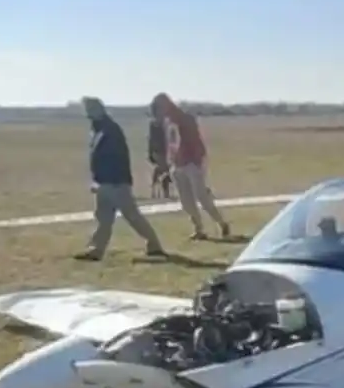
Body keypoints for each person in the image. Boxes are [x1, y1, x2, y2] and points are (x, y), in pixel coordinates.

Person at [76, 96, 168, 261]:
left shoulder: (110, 130)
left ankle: (154, 244)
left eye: (89, 108)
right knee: (103, 218)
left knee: (132, 216)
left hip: (116, 182)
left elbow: (114, 158)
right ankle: (96, 250)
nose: (87, 112)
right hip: (105, 182)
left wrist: (108, 180)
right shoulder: (99, 129)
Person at [151, 92, 232, 240]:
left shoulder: (185, 118)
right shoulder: (167, 122)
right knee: (186, 201)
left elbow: (194, 140)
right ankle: (198, 229)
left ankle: (222, 223)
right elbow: (170, 143)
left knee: (202, 197)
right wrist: (170, 161)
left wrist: (197, 161)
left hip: (192, 163)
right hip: (177, 165)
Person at [147, 107, 172, 199]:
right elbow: (151, 140)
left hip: (164, 151)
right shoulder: (154, 125)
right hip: (158, 151)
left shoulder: (164, 124)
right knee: (164, 170)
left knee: (163, 171)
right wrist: (151, 152)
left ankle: (159, 191)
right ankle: (163, 192)